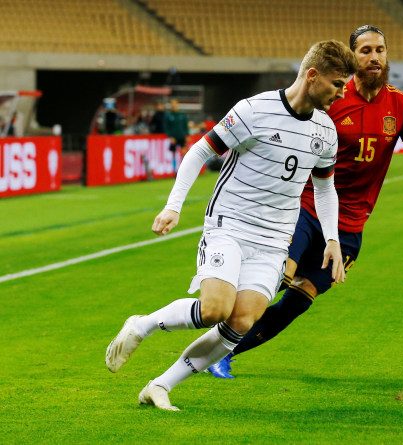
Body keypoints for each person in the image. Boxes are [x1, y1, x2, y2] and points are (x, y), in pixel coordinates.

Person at [105, 39, 359, 411]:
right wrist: (173, 206)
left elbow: (324, 189)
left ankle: (160, 385)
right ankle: (142, 325)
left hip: (274, 240)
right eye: (338, 83)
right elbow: (200, 151)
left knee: (242, 320)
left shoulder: (326, 131)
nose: (342, 92)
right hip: (231, 224)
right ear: (313, 75)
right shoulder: (255, 110)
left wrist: (332, 239)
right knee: (214, 309)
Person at [208, 25, 403, 379]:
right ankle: (211, 339)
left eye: (380, 50)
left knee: (298, 300)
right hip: (307, 208)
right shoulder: (333, 100)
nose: (374, 57)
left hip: (352, 224)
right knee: (277, 278)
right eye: (366, 50)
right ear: (353, 57)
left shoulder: (399, 105)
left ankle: (225, 353)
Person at [163, 99, 189, 172]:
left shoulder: (182, 115)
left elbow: (185, 126)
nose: (174, 106)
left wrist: (187, 135)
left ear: (177, 104)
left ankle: (182, 169)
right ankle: (174, 170)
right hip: (173, 138)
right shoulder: (168, 115)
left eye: (175, 104)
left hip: (181, 137)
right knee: (173, 153)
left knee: (184, 152)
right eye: (172, 104)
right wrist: (170, 136)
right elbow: (166, 127)